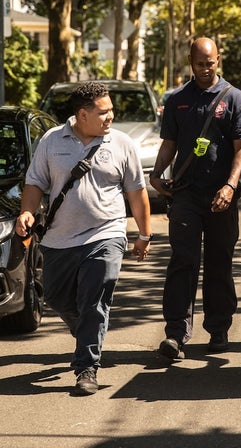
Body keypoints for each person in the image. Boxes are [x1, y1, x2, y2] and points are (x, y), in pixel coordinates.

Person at [16, 81, 152, 395]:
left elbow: (136, 191)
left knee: (94, 300)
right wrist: (26, 211)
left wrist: (144, 234)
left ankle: (86, 367)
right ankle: (87, 333)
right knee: (56, 297)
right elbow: (35, 182)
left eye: (112, 111)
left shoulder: (121, 143)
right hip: (60, 239)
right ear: (82, 114)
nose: (110, 118)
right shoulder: (52, 140)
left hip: (107, 233)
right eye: (103, 113)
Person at [149, 37, 241, 358]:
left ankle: (219, 327)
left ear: (218, 60)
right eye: (200, 64)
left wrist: (230, 186)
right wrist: (156, 173)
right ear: (190, 62)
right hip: (186, 195)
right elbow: (169, 143)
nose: (206, 69)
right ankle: (176, 334)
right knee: (183, 260)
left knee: (219, 261)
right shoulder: (178, 100)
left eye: (210, 63)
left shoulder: (235, 99)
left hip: (221, 195)